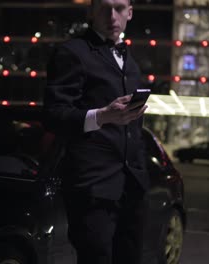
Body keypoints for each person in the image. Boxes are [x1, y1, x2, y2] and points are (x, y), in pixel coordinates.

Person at [42, 0, 152, 263]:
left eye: (119, 8)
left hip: (132, 184)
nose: (112, 16)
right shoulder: (72, 52)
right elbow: (53, 115)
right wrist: (102, 116)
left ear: (130, 13)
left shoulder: (130, 61)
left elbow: (132, 128)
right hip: (92, 185)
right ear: (91, 11)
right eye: (104, 8)